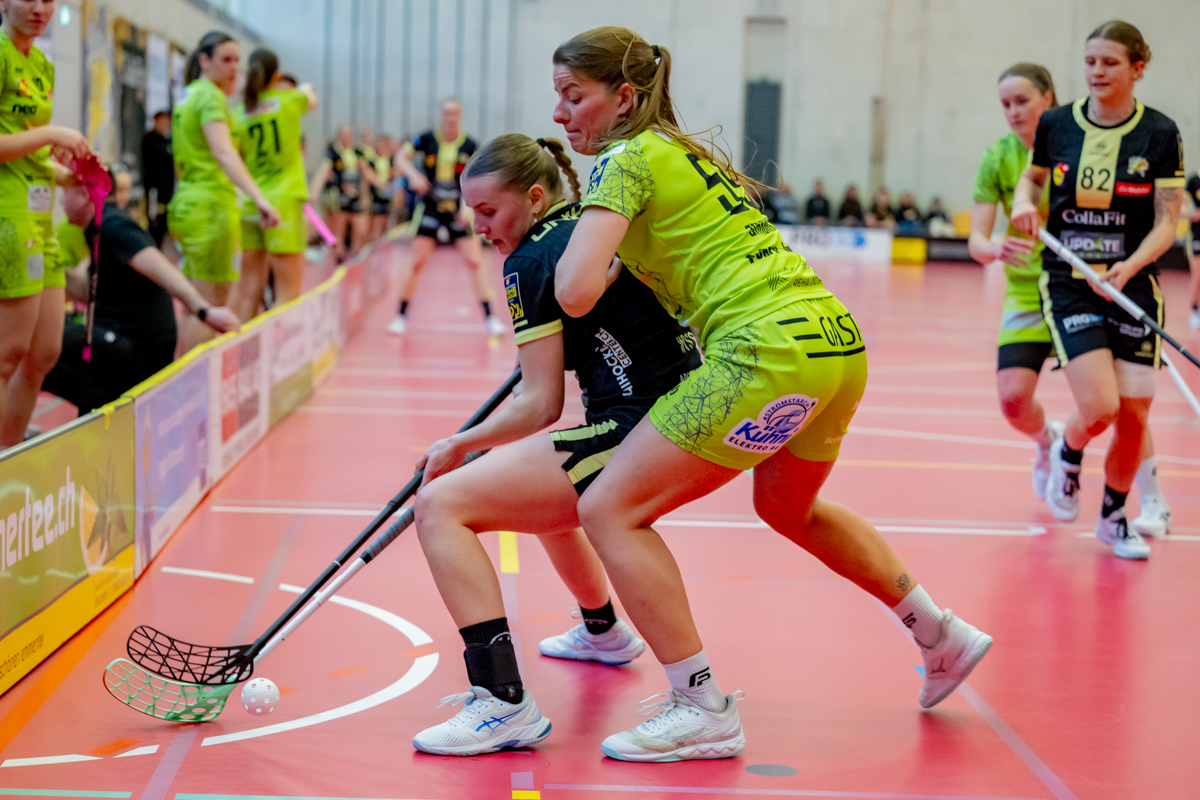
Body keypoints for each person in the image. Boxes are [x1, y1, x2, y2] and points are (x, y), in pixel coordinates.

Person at [550, 27, 991, 762]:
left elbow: (573, 290)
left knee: (607, 509)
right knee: (788, 508)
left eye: (573, 96)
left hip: (765, 353)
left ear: (623, 98)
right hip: (834, 344)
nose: (560, 114)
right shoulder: (683, 153)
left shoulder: (623, 160)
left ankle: (701, 706)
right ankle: (938, 631)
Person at [410, 133, 704, 756]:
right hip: (676, 410)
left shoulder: (529, 261)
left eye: (488, 211)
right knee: (540, 489)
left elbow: (539, 405)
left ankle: (501, 703)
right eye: (471, 212)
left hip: (638, 428)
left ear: (535, 197)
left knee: (440, 504)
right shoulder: (590, 229)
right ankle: (602, 631)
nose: (478, 227)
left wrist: (459, 444)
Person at [1011, 20, 1183, 558]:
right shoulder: (1057, 124)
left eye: (1110, 63)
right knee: (1102, 407)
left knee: (1133, 418)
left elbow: (1167, 222)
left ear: (1137, 68)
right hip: (1071, 282)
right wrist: (1023, 202)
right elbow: (1033, 179)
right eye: (1090, 62)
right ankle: (1068, 449)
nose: (1097, 72)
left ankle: (1113, 518)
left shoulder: (1160, 133)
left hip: (1133, 283)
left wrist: (1129, 266)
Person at [43, 170, 239, 411]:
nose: (61, 202)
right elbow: (86, 290)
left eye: (65, 194)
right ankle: (102, 409)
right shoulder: (96, 230)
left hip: (141, 350)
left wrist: (204, 311)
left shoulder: (114, 227)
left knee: (47, 341)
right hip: (124, 342)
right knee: (41, 344)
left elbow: (161, 268)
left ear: (84, 195)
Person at [0, 0, 93, 448]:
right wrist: (54, 134)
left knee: (44, 352)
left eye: (49, 0)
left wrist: (65, 174)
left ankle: (10, 448)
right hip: (9, 215)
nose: (40, 8)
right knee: (7, 354)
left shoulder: (41, 65)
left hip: (42, 216)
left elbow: (28, 151)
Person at [169, 31, 279, 355]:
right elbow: (224, 152)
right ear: (204, 60)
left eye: (237, 61)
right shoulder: (211, 97)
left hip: (187, 206)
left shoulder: (188, 95)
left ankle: (183, 377)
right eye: (226, 60)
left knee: (193, 306)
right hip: (211, 209)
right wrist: (259, 197)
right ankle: (193, 383)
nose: (234, 68)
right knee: (210, 308)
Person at [389, 99, 504, 336]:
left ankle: (490, 318)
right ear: (441, 115)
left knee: (474, 261)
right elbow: (400, 158)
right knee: (418, 261)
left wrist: (467, 208)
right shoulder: (425, 139)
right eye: (447, 113)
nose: (450, 118)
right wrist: (413, 176)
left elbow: (476, 178)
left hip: (458, 209)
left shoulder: (470, 145)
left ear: (460, 116)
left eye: (455, 114)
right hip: (430, 207)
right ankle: (400, 315)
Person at [232, 48, 317, 321]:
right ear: (277, 76)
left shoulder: (240, 113)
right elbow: (311, 100)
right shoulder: (290, 99)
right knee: (287, 293)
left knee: (248, 293)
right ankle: (280, 348)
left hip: (251, 202)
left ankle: (244, 346)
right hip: (283, 202)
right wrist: (304, 88)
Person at [309, 126, 369, 260]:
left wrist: (383, 186)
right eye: (343, 135)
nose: (345, 138)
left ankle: (356, 256)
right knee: (338, 231)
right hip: (340, 197)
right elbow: (324, 170)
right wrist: (314, 191)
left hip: (356, 197)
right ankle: (339, 258)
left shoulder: (357, 152)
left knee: (361, 230)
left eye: (348, 135)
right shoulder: (333, 152)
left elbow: (367, 174)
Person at [141, 110, 174, 248]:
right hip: (154, 190)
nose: (165, 125)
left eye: (167, 123)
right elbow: (167, 158)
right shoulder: (150, 139)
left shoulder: (168, 140)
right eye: (162, 122)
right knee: (155, 222)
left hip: (168, 190)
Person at [1186, 169, 1200, 329]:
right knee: (1197, 276)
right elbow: (1182, 208)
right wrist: (1193, 213)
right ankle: (1195, 311)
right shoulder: (1193, 181)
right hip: (1197, 236)